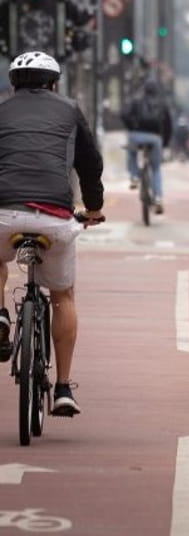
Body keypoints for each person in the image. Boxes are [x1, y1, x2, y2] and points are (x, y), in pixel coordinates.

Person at [0, 51, 105, 416]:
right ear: (54, 83)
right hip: (55, 218)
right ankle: (63, 388)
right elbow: (90, 165)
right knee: (63, 295)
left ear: (13, 84)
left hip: (4, 214)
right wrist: (93, 209)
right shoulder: (70, 109)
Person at [121, 80, 172, 214]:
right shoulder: (162, 103)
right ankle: (158, 198)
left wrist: (131, 128)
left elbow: (124, 114)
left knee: (131, 152)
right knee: (156, 169)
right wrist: (165, 143)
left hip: (136, 135)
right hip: (155, 138)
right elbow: (168, 125)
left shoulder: (136, 101)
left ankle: (134, 176)